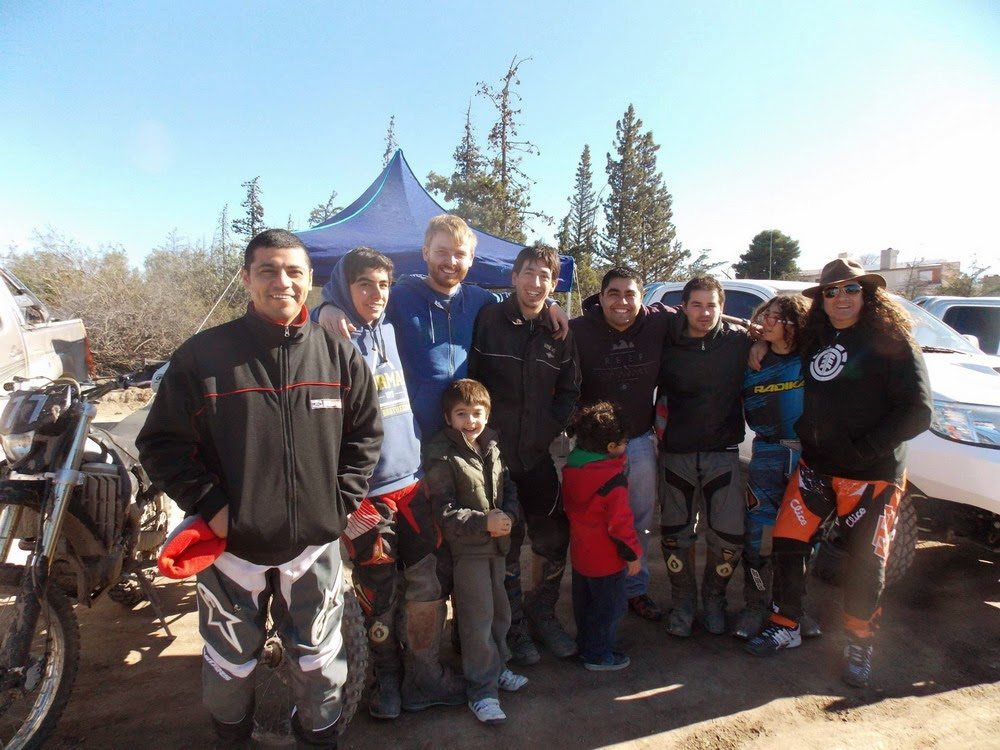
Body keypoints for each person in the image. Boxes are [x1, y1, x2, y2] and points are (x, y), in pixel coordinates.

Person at [137, 229, 383, 749]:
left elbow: (365, 435)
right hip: (233, 553)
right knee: (228, 664)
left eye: (294, 271)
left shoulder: (339, 357)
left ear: (310, 280)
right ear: (246, 278)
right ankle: (231, 740)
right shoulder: (203, 356)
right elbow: (160, 444)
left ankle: (319, 738)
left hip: (313, 549)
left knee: (319, 660)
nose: (282, 281)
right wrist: (211, 506)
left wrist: (337, 505)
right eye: (268, 270)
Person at [746, 258, 932, 689]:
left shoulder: (892, 340)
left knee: (866, 563)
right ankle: (785, 624)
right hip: (816, 470)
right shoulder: (816, 336)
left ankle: (859, 640)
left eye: (851, 289)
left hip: (873, 476)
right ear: (821, 300)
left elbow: (918, 411)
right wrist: (754, 346)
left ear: (868, 294)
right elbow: (774, 334)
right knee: (789, 544)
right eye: (831, 291)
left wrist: (863, 450)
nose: (841, 298)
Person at [320, 246, 430, 719]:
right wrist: (323, 307)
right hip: (364, 496)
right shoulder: (324, 338)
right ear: (345, 287)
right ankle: (383, 680)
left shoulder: (390, 327)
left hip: (412, 483)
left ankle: (423, 674)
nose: (376, 294)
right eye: (365, 284)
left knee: (424, 585)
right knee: (376, 592)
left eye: (383, 284)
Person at [468, 244, 580, 665]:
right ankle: (513, 627)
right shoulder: (489, 320)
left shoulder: (559, 332)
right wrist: (482, 437)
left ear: (554, 284)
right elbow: (471, 381)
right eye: (528, 273)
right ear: (513, 277)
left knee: (553, 539)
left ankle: (543, 613)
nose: (536, 283)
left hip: (537, 457)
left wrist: (548, 429)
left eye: (545, 277)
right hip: (494, 458)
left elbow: (571, 389)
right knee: (506, 545)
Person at [570, 267, 677, 623]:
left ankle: (635, 588)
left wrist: (753, 335)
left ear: (641, 298)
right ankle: (596, 587)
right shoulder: (577, 330)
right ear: (600, 298)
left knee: (639, 518)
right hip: (592, 451)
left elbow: (705, 312)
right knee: (591, 522)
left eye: (630, 294)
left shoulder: (658, 322)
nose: (621, 301)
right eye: (613, 294)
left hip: (640, 442)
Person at [655, 276, 754, 637]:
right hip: (675, 454)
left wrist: (753, 336)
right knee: (675, 536)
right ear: (683, 306)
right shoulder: (666, 341)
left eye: (711, 305)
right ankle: (682, 602)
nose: (704, 312)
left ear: (722, 307)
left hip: (723, 454)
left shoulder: (740, 343)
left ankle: (714, 600)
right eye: (696, 304)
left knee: (729, 537)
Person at [425, 379, 528, 724]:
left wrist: (509, 516)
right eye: (462, 414)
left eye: (477, 413)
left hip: (497, 547)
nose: (471, 420)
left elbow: (508, 486)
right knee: (476, 620)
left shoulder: (493, 444)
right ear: (447, 417)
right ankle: (481, 691)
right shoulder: (441, 452)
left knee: (500, 613)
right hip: (468, 550)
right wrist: (484, 522)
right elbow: (444, 510)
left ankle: (497, 668)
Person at [732, 293, 811, 640]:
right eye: (764, 314)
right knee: (758, 537)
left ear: (795, 323)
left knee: (802, 541)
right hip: (766, 454)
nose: (766, 321)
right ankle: (754, 605)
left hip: (808, 459)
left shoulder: (814, 358)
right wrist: (754, 343)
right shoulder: (749, 358)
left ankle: (793, 609)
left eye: (776, 317)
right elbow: (722, 321)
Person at [562, 401, 642, 671]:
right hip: (607, 560)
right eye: (624, 442)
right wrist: (632, 555)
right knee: (609, 608)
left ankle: (586, 644)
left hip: (582, 555)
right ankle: (599, 655)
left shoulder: (572, 467)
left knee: (584, 605)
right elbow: (620, 525)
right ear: (611, 447)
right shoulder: (613, 479)